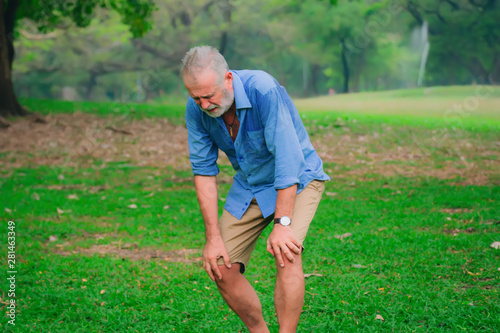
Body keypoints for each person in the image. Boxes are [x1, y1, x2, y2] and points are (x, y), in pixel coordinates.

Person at [181, 45, 330, 332]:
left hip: (298, 178)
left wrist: (282, 224)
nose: (204, 105)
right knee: (220, 265)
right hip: (251, 183)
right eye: (195, 97)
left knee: (287, 253)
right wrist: (212, 238)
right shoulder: (196, 109)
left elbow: (287, 159)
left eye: (208, 96)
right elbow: (203, 171)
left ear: (227, 79)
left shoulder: (262, 89)